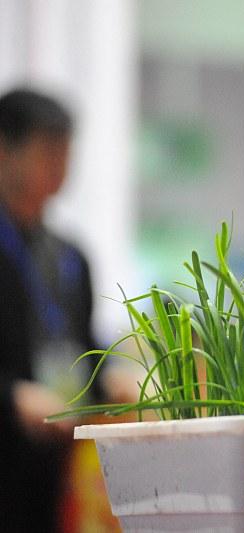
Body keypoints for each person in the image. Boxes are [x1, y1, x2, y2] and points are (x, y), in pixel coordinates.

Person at [0, 88, 97, 532]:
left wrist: (109, 369)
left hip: (53, 463)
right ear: (5, 150)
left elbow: (82, 343)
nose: (59, 165)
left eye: (65, 151)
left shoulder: (70, 255)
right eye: (47, 150)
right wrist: (11, 397)